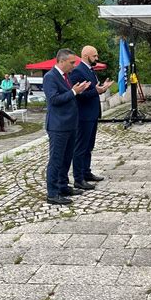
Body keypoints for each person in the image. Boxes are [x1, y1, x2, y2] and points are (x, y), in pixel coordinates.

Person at [43, 49, 90, 205]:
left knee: (66, 158)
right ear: (61, 61)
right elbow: (54, 99)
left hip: (70, 124)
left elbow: (69, 94)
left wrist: (78, 90)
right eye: (71, 63)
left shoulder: (66, 76)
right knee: (56, 160)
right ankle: (52, 193)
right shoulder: (50, 77)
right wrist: (73, 92)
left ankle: (63, 185)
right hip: (58, 126)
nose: (73, 66)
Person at [70, 45, 113, 189]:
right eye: (94, 56)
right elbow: (79, 95)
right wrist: (97, 91)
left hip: (93, 113)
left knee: (89, 146)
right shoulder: (77, 71)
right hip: (83, 115)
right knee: (81, 147)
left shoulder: (90, 70)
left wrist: (102, 88)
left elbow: (93, 89)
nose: (97, 58)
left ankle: (86, 172)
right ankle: (78, 178)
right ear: (86, 56)